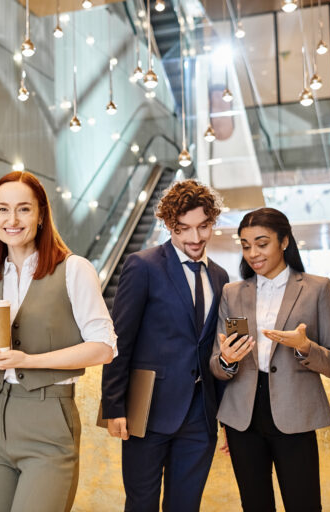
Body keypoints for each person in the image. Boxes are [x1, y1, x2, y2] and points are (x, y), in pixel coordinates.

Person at [0, 171, 116, 512]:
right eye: (2, 209)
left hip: (49, 420)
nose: (12, 220)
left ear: (40, 216)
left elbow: (104, 347)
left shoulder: (74, 269)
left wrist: (28, 361)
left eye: (23, 209)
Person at [101, 179, 230, 511]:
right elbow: (120, 340)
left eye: (203, 226)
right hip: (148, 411)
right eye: (183, 228)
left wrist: (227, 417)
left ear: (212, 222)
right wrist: (114, 407)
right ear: (169, 225)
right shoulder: (143, 265)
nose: (195, 238)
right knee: (141, 504)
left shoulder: (220, 276)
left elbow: (216, 349)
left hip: (201, 416)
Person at [210, 207, 330, 511]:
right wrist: (227, 360)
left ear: (284, 241)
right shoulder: (232, 293)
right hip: (242, 418)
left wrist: (305, 347)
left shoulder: (317, 288)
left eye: (262, 244)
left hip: (295, 415)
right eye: (246, 246)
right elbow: (217, 365)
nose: (253, 254)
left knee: (304, 504)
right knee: (254, 505)